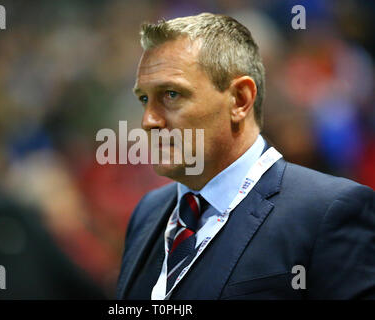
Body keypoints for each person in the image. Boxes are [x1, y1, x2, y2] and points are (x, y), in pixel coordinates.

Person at [116, 13, 375, 300]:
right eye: (144, 99)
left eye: (172, 94)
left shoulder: (329, 211)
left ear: (240, 100)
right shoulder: (148, 212)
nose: (148, 121)